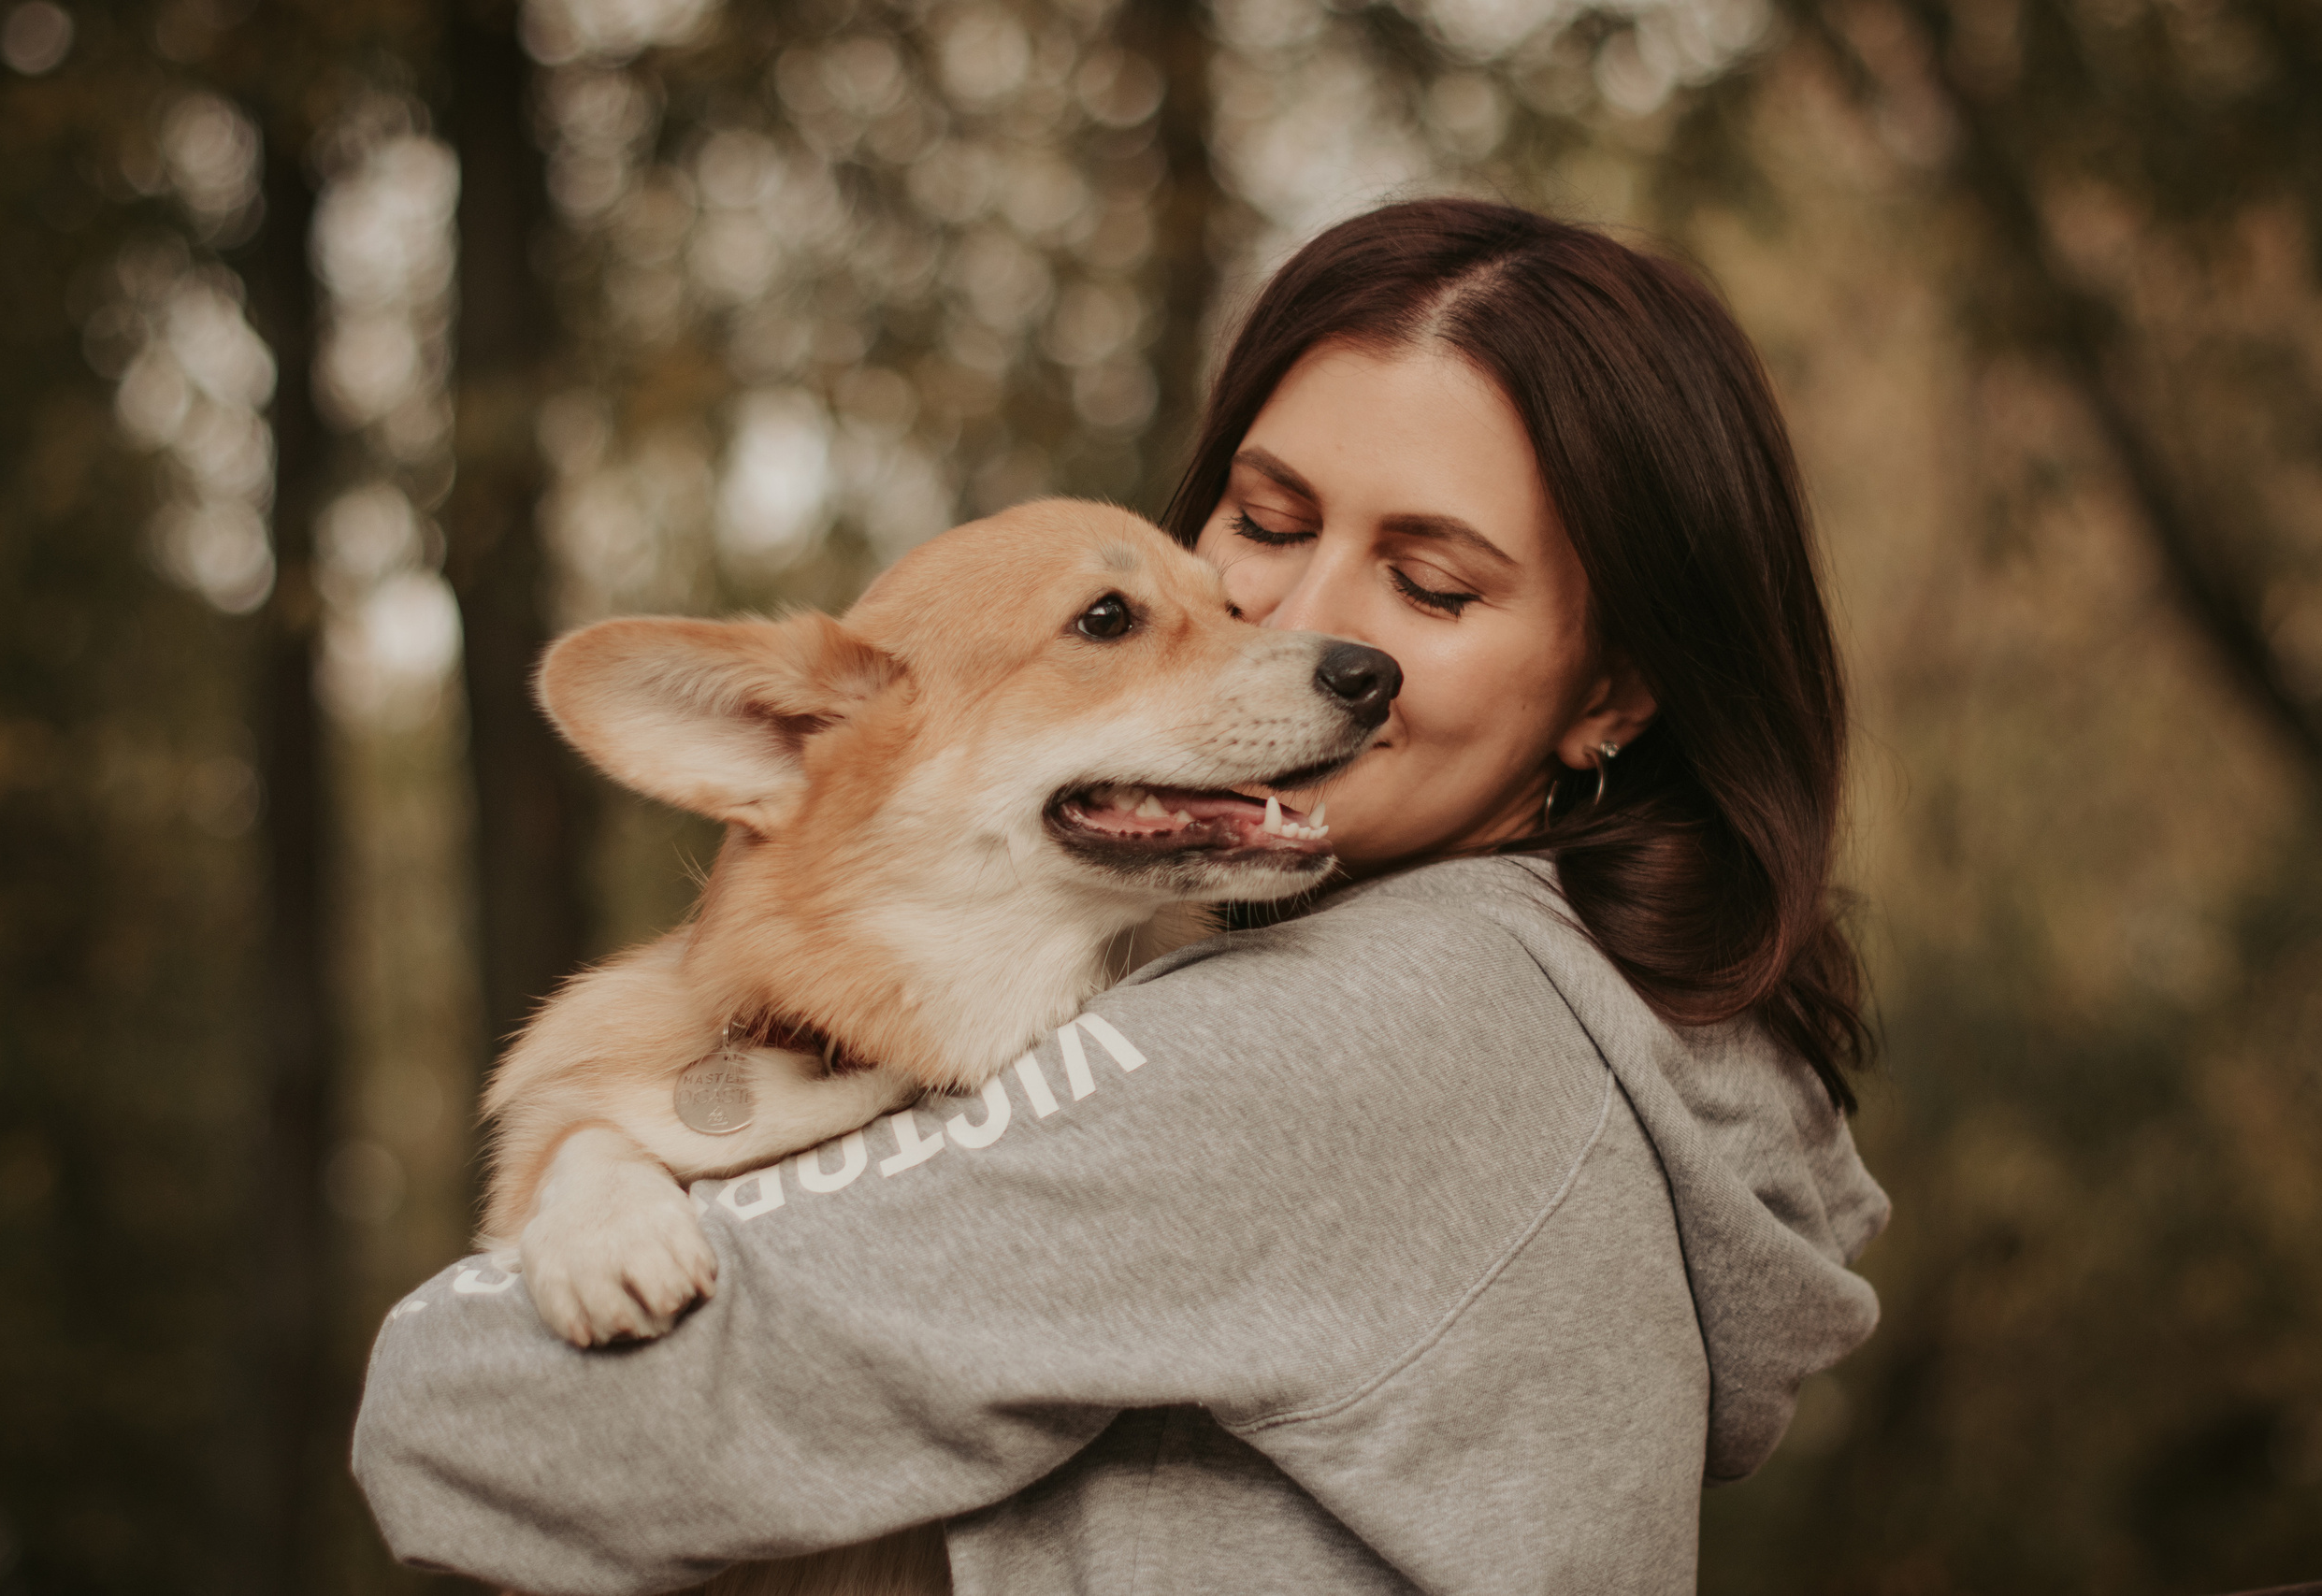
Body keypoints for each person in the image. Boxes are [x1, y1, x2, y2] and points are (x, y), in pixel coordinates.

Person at [351, 199, 1889, 1594]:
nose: (1301, 628)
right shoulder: (1550, 1018)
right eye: (1262, 527)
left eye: (1432, 586)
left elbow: (467, 1418)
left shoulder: (1389, 1030)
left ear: (1612, 694)